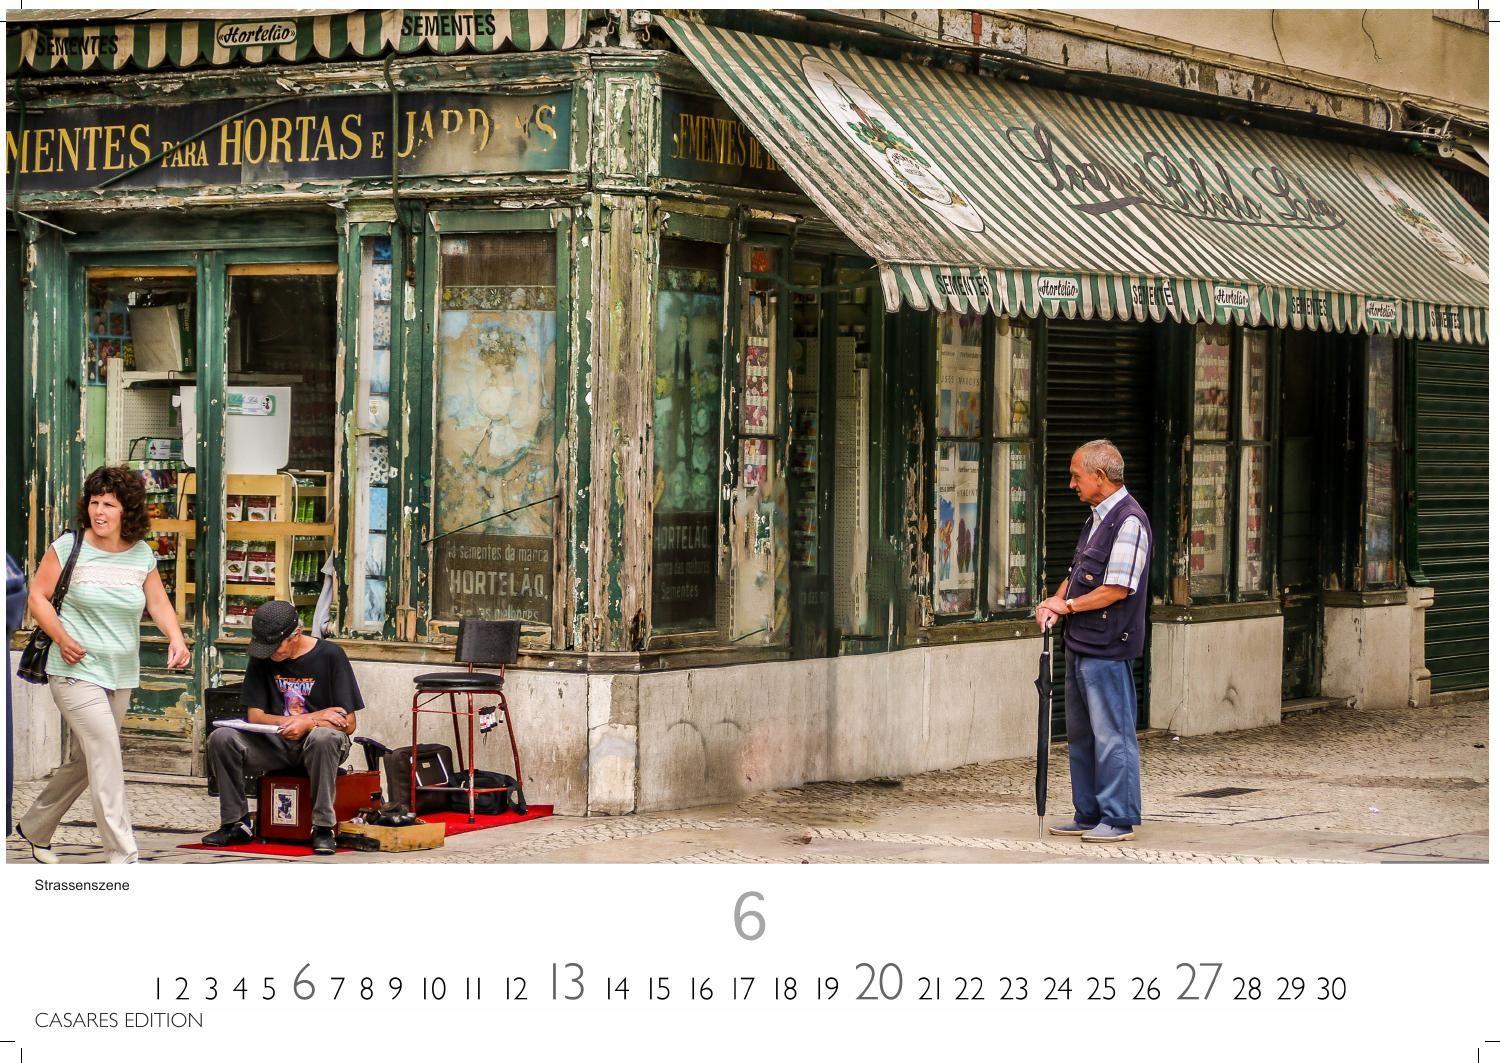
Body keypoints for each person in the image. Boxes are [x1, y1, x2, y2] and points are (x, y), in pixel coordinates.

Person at [14, 466, 191, 864]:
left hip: (120, 672)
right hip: (74, 672)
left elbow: (157, 603)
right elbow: (37, 598)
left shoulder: (141, 553)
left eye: (109, 504)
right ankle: (123, 854)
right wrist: (63, 638)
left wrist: (176, 637)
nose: (99, 511)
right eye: (95, 502)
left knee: (85, 760)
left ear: (126, 510)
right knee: (107, 754)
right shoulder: (68, 547)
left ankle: (35, 826)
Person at [1035, 440, 1152, 844]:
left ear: (1100, 477)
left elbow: (1117, 588)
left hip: (1108, 645)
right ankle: (1088, 812)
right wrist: (1056, 601)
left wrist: (1066, 606)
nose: (1071, 484)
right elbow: (1080, 571)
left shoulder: (1129, 521)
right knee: (1082, 735)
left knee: (1112, 734)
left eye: (1076, 476)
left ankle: (1118, 818)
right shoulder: (1096, 519)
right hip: (1083, 643)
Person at [202, 600, 362, 855]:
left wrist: (308, 722)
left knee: (323, 738)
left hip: (320, 743)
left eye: (275, 647)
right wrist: (305, 719)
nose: (270, 653)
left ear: (295, 635)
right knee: (221, 738)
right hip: (275, 743)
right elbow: (255, 716)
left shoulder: (331, 655)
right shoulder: (263, 656)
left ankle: (322, 827)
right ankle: (235, 822)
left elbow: (349, 724)